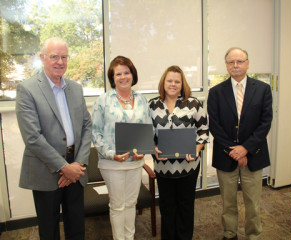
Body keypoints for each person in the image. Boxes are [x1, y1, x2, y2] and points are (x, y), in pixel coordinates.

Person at [16, 37, 92, 240]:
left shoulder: (76, 88)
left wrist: (77, 164)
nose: (60, 61)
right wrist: (63, 167)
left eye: (64, 57)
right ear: (42, 58)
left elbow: (86, 126)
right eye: (54, 57)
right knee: (49, 230)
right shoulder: (27, 89)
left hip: (76, 167)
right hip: (45, 169)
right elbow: (32, 137)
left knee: (76, 227)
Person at [207, 47, 273, 240]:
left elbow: (265, 122)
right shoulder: (216, 92)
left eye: (239, 61)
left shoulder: (262, 90)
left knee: (253, 201)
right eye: (231, 62)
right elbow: (215, 125)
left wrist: (245, 149)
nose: (235, 65)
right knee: (228, 201)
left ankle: (253, 234)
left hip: (254, 154)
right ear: (226, 65)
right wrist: (233, 150)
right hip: (225, 154)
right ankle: (230, 233)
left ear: (248, 63)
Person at [92, 56, 152, 240]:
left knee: (131, 203)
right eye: (118, 74)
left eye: (127, 72)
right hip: (113, 164)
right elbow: (96, 133)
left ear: (133, 75)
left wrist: (145, 148)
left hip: (135, 162)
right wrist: (111, 154)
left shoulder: (142, 99)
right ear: (112, 77)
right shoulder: (103, 100)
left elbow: (148, 127)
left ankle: (130, 237)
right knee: (117, 205)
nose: (123, 77)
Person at [148, 65, 209, 240]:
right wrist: (153, 149)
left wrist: (196, 150)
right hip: (163, 167)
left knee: (185, 207)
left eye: (177, 81)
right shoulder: (152, 105)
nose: (173, 84)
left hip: (188, 167)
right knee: (167, 208)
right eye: (170, 80)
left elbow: (203, 131)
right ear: (163, 82)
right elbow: (147, 134)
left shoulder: (194, 103)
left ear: (182, 84)